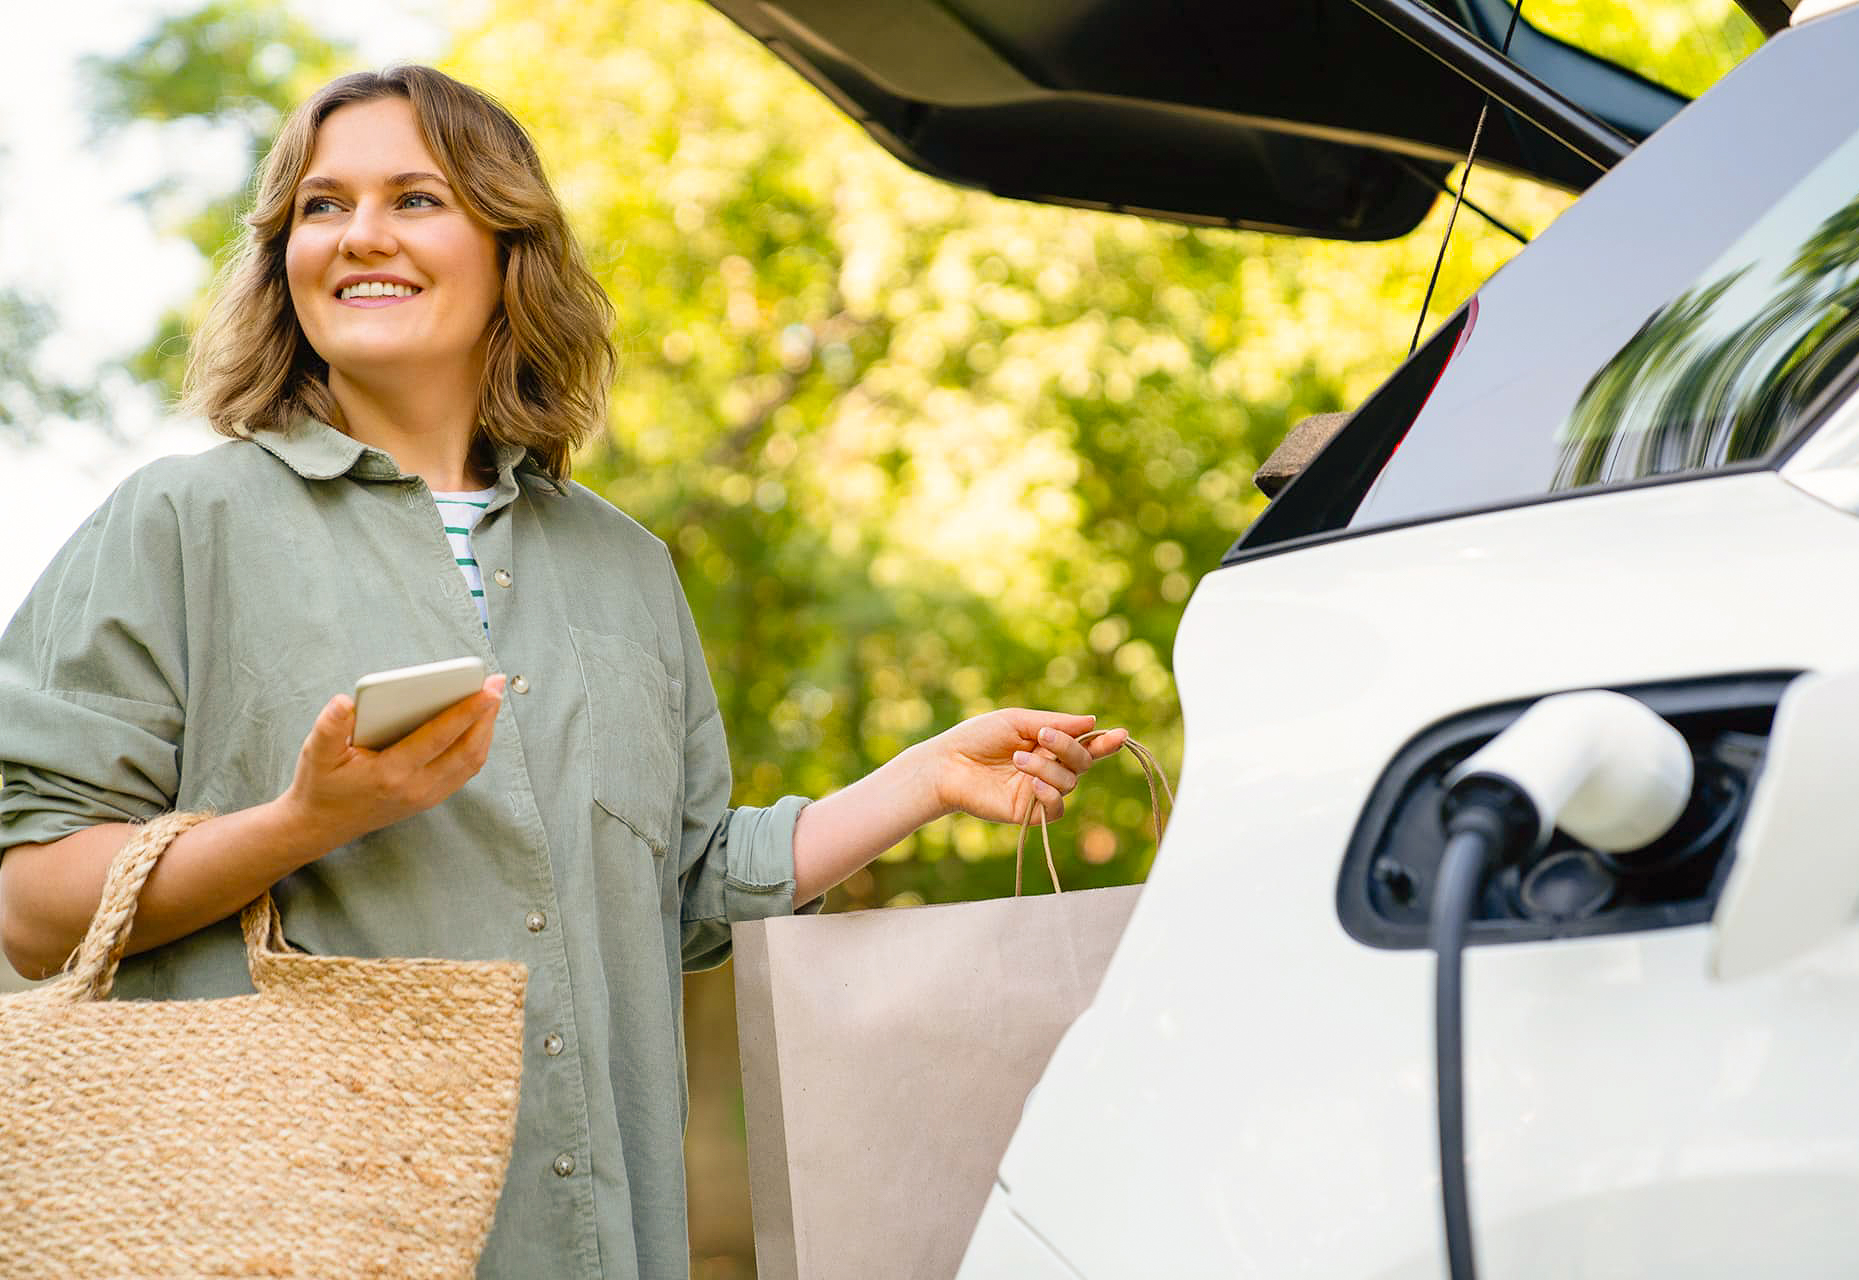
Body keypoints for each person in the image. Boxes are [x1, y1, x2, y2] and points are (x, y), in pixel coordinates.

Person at [0, 65, 1127, 1278]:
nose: (360, 234)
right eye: (320, 207)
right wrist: (300, 823)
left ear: (508, 246)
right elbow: (33, 904)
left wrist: (916, 782)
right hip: (295, 1240)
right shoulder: (180, 519)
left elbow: (685, 895)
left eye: (414, 197)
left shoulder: (627, 566)